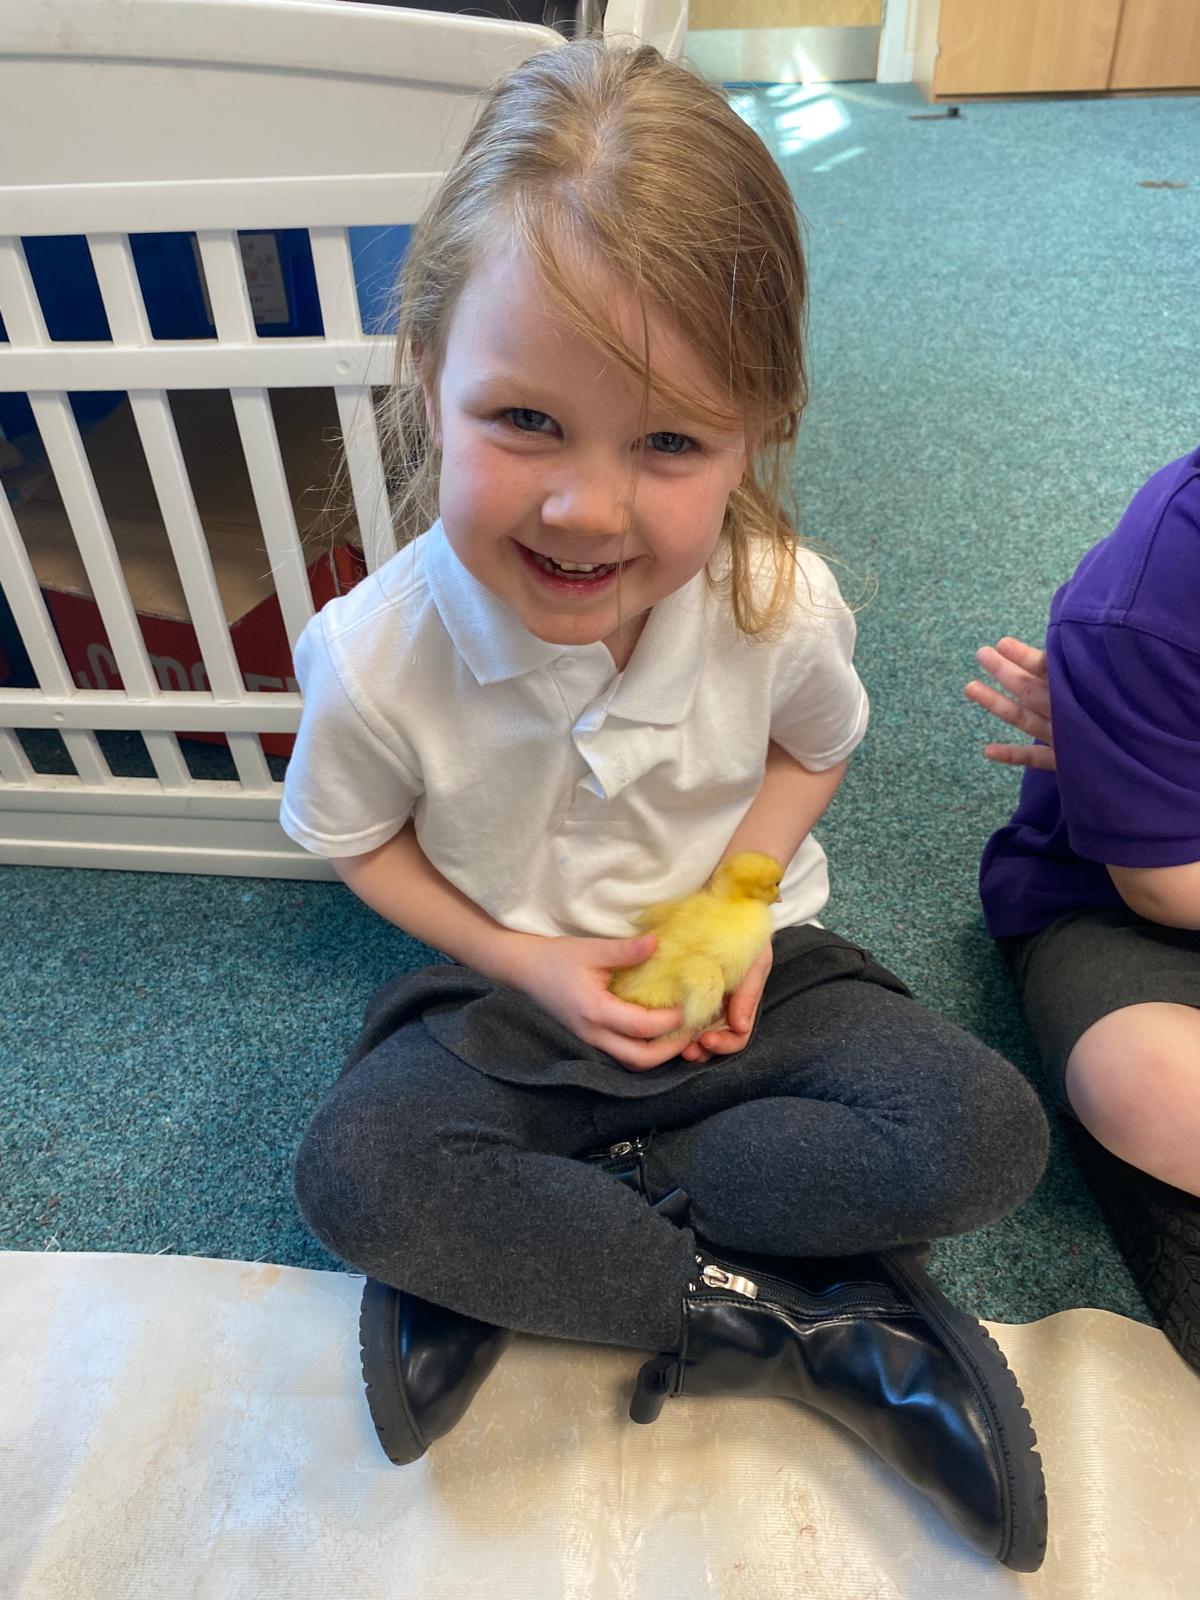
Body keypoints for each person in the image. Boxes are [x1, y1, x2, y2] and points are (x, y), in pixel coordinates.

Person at [282, 41, 1050, 1569]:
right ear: (427, 377)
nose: (587, 508)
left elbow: (813, 755)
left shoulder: (779, 602)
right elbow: (358, 841)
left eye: (672, 444)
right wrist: (527, 960)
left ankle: (551, 1233)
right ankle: (794, 1325)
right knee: (355, 1175)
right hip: (513, 1001)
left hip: (759, 980)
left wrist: (737, 905)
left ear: (757, 430)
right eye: (525, 422)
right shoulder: (373, 655)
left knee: (984, 1132)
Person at [967, 447, 1200, 1375]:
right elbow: (1165, 883)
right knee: (1141, 1078)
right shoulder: (1158, 590)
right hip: (1126, 906)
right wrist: (1145, 771)